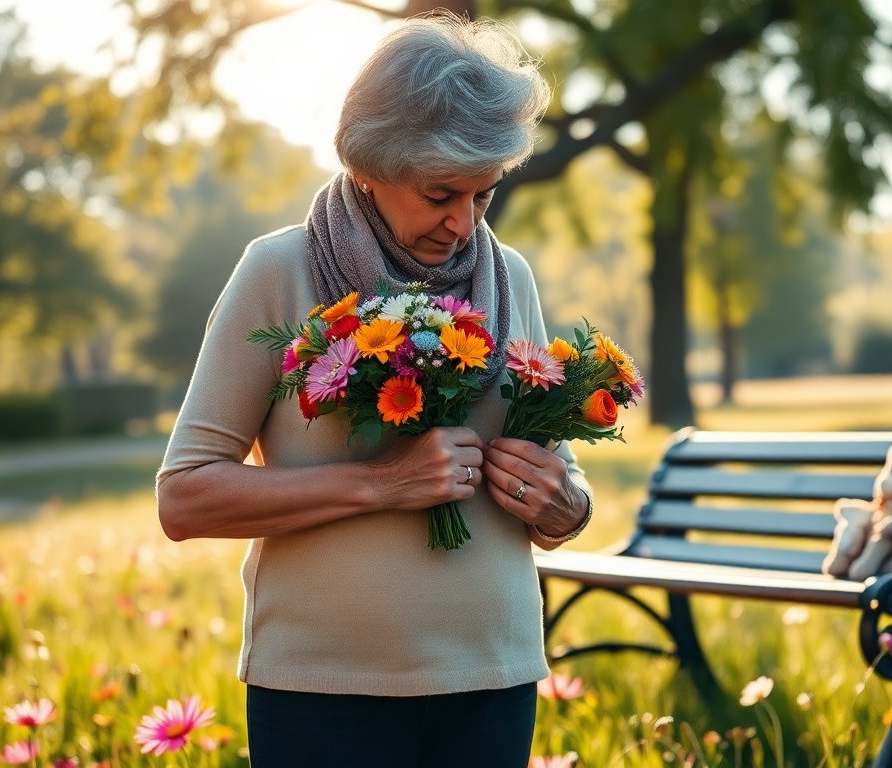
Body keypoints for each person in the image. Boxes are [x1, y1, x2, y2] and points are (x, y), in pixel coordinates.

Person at [155, 13, 593, 766]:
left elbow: (555, 474)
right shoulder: (277, 272)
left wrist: (567, 503)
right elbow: (184, 497)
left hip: (494, 676)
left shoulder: (509, 275)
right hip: (323, 690)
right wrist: (381, 483)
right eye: (439, 193)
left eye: (484, 195)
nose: (463, 223)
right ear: (372, 163)